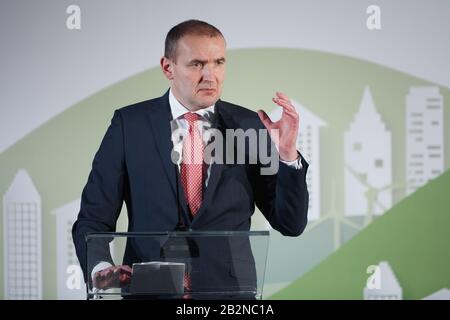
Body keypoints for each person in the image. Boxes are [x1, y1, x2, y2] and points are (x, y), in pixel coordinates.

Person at [72, 19, 309, 297]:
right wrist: (101, 267)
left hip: (229, 294)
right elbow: (93, 218)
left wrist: (287, 155)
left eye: (219, 62)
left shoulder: (250, 125)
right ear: (167, 68)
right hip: (150, 291)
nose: (210, 76)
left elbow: (290, 224)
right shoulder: (129, 125)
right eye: (197, 64)